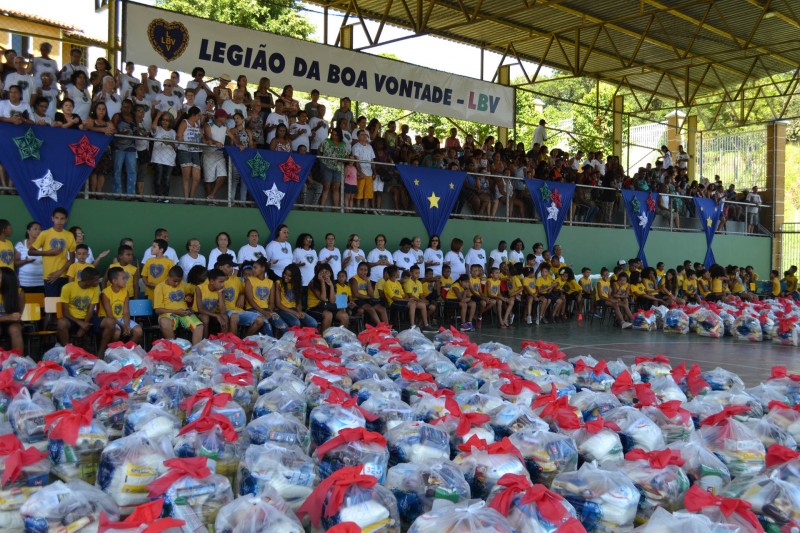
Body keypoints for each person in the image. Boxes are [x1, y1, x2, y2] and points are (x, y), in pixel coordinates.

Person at [28, 208, 76, 297]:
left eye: (62, 218)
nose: (59, 221)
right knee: (52, 305)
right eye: (57, 218)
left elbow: (72, 259)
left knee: (64, 304)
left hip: (65, 275)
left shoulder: (69, 235)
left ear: (66, 220)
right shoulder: (45, 234)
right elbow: (30, 252)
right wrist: (48, 253)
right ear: (52, 218)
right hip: (50, 276)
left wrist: (60, 272)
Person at [97, 266, 143, 355]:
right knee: (117, 333)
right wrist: (122, 326)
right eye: (123, 278)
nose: (126, 280)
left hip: (122, 318)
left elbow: (126, 312)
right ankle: (111, 353)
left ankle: (126, 351)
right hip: (110, 320)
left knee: (138, 331)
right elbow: (109, 315)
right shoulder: (105, 293)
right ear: (114, 281)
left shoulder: (125, 291)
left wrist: (126, 325)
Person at [154, 265, 204, 345]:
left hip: (184, 313)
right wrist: (176, 311)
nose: (177, 283)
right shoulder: (160, 287)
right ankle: (173, 347)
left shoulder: (183, 284)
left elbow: (191, 291)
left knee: (199, 326)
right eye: (174, 281)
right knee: (164, 322)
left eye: (179, 281)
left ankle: (195, 351)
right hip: (168, 314)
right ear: (168, 277)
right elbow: (158, 310)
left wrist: (189, 296)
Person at [56, 266, 100, 347]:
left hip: (87, 319)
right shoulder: (67, 287)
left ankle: (100, 352)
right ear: (88, 281)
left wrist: (83, 326)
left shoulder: (95, 288)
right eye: (96, 280)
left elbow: (90, 311)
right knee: (61, 323)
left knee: (109, 322)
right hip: (72, 319)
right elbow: (65, 312)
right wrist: (80, 323)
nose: (98, 282)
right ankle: (67, 349)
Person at [244, 257, 287, 337]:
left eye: (255, 268)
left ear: (263, 269)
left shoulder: (270, 282)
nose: (253, 270)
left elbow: (271, 302)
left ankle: (285, 345)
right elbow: (250, 300)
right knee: (268, 328)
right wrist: (263, 312)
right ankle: (269, 346)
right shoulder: (249, 280)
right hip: (253, 309)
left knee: (283, 326)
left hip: (266, 310)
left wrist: (270, 311)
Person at [275, 264, 317, 328]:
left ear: (295, 277)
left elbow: (298, 303)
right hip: (282, 310)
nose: (286, 276)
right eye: (285, 274)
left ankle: (305, 336)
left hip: (294, 309)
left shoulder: (296, 285)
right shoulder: (278, 283)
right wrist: (294, 313)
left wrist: (300, 312)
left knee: (313, 323)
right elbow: (278, 304)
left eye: (289, 276)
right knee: (296, 322)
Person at [176, 106, 204, 202]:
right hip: (185, 151)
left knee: (197, 177)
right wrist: (185, 142)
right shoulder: (185, 122)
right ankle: (186, 198)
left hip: (195, 151)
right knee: (186, 176)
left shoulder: (197, 125)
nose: (199, 117)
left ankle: (191, 196)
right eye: (198, 115)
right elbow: (178, 136)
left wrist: (202, 136)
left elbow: (201, 137)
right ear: (193, 115)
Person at [307, 263, 347, 330]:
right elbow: (323, 298)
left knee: (344, 315)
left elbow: (332, 301)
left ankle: (341, 336)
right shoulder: (313, 283)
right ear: (318, 273)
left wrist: (331, 285)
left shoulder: (331, 283)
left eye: (327, 272)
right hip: (313, 308)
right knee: (328, 315)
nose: (324, 274)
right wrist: (322, 282)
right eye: (322, 272)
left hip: (326, 307)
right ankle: (324, 338)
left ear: (330, 273)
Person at [349, 261, 387, 326]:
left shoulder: (367, 279)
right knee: (371, 309)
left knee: (382, 309)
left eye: (365, 270)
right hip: (357, 300)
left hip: (367, 299)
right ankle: (381, 327)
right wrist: (368, 297)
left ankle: (387, 328)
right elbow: (356, 294)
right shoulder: (354, 279)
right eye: (361, 270)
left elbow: (371, 294)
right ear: (357, 270)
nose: (363, 272)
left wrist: (368, 282)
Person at [150, 110, 177, 200]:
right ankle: (158, 196)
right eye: (163, 120)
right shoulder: (158, 129)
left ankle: (165, 197)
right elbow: (153, 127)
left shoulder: (173, 132)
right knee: (158, 179)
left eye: (167, 120)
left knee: (167, 179)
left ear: (171, 122)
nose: (164, 122)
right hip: (158, 158)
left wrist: (169, 143)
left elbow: (176, 146)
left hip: (169, 159)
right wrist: (158, 116)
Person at [15, 222, 43, 293]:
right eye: (35, 229)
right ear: (28, 231)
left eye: (39, 229)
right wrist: (25, 261)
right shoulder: (20, 245)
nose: (38, 231)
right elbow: (14, 263)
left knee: (41, 303)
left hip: (42, 282)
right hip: (25, 282)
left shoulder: (45, 245)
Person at [0, 267, 23, 352]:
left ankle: (17, 360)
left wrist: (11, 318)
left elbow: (17, 317)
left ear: (7, 280)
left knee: (15, 329)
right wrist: (8, 317)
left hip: (13, 323)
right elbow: (12, 316)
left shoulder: (19, 292)